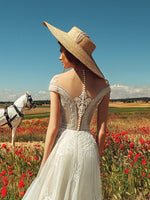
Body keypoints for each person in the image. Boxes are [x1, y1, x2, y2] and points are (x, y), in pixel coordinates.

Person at [22, 21, 110, 200]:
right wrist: (97, 157)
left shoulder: (57, 81)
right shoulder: (104, 85)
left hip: (63, 147)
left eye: (62, 51)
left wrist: (44, 165)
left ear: (72, 53)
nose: (60, 57)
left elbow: (53, 127)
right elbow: (102, 130)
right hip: (88, 150)